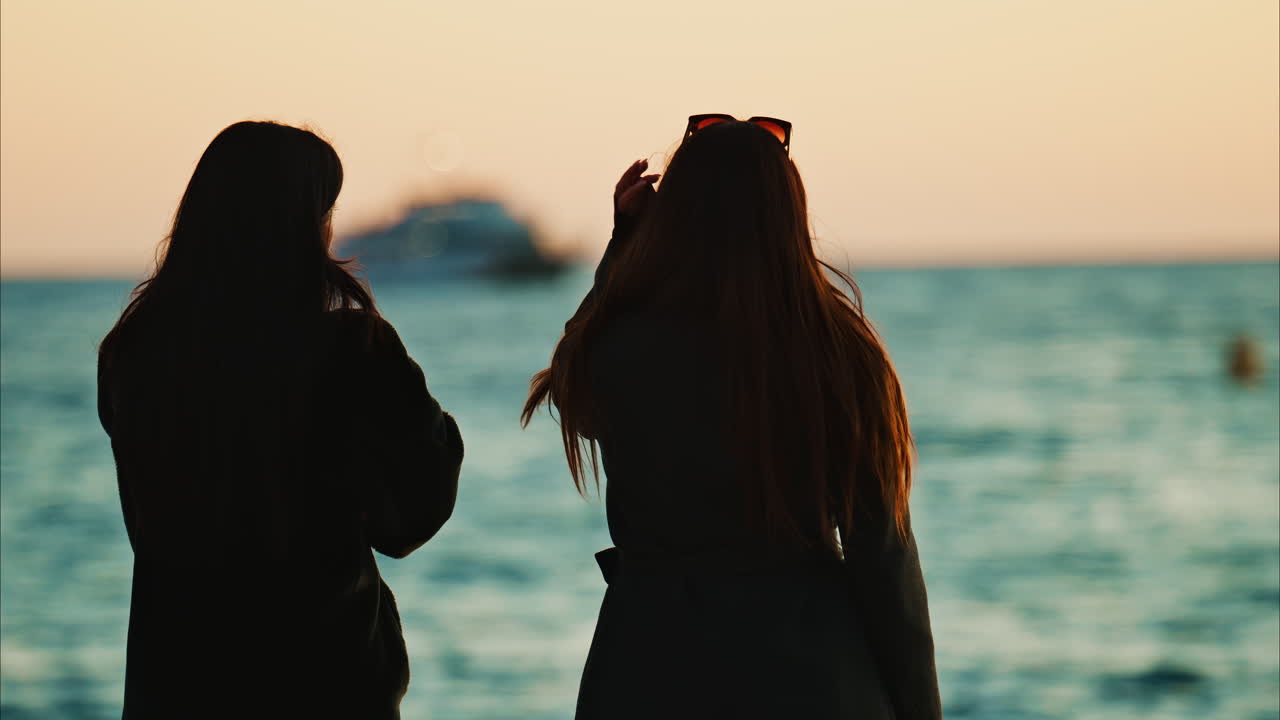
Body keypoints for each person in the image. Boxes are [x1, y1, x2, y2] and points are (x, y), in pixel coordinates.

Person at [523, 115, 941, 719]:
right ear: (788, 214)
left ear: (671, 219)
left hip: (648, 668)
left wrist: (623, 248)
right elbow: (884, 562)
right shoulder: (840, 355)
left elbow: (573, 387)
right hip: (810, 679)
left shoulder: (622, 348)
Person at [97, 121, 463, 719]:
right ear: (302, 225)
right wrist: (431, 425)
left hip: (177, 685)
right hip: (323, 686)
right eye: (325, 213)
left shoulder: (135, 355)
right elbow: (410, 518)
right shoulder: (352, 349)